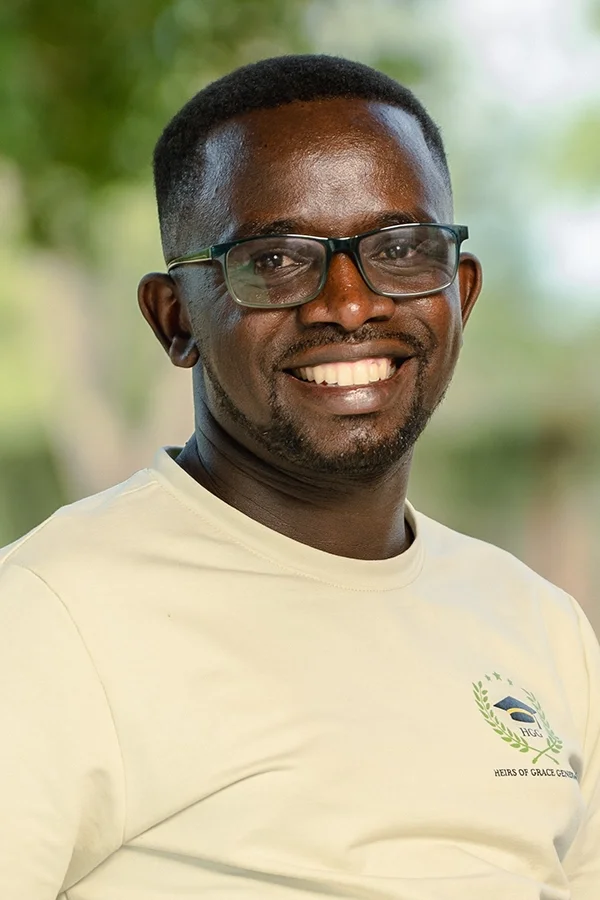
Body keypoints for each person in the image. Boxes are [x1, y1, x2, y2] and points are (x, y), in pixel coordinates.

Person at [0, 54, 598, 900]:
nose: (349, 304)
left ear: (459, 293)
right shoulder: (51, 617)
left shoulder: (540, 628)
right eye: (276, 260)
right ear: (175, 320)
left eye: (398, 249)